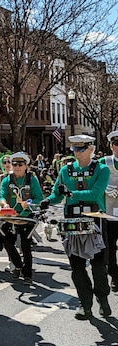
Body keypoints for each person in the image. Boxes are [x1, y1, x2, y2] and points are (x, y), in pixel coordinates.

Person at [41, 135, 111, 319]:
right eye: (74, 149)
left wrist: (71, 193)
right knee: (77, 266)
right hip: (71, 220)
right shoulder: (66, 170)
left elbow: (95, 193)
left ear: (91, 149)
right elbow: (57, 193)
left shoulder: (101, 169)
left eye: (81, 149)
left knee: (98, 265)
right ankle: (85, 303)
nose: (77, 153)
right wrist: (48, 200)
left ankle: (102, 298)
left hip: (95, 220)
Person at [0, 152, 43, 285]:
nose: (17, 167)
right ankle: (18, 265)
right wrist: (4, 204)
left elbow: (38, 197)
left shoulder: (32, 179)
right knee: (6, 241)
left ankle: (27, 275)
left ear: (26, 166)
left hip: (26, 216)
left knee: (25, 245)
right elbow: (1, 195)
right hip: (10, 215)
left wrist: (28, 203)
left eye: (20, 164)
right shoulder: (7, 179)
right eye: (15, 164)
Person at [100, 130, 118, 292]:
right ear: (111, 146)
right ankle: (115, 276)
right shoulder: (103, 162)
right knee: (110, 247)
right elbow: (92, 179)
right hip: (109, 212)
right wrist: (106, 188)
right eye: (116, 143)